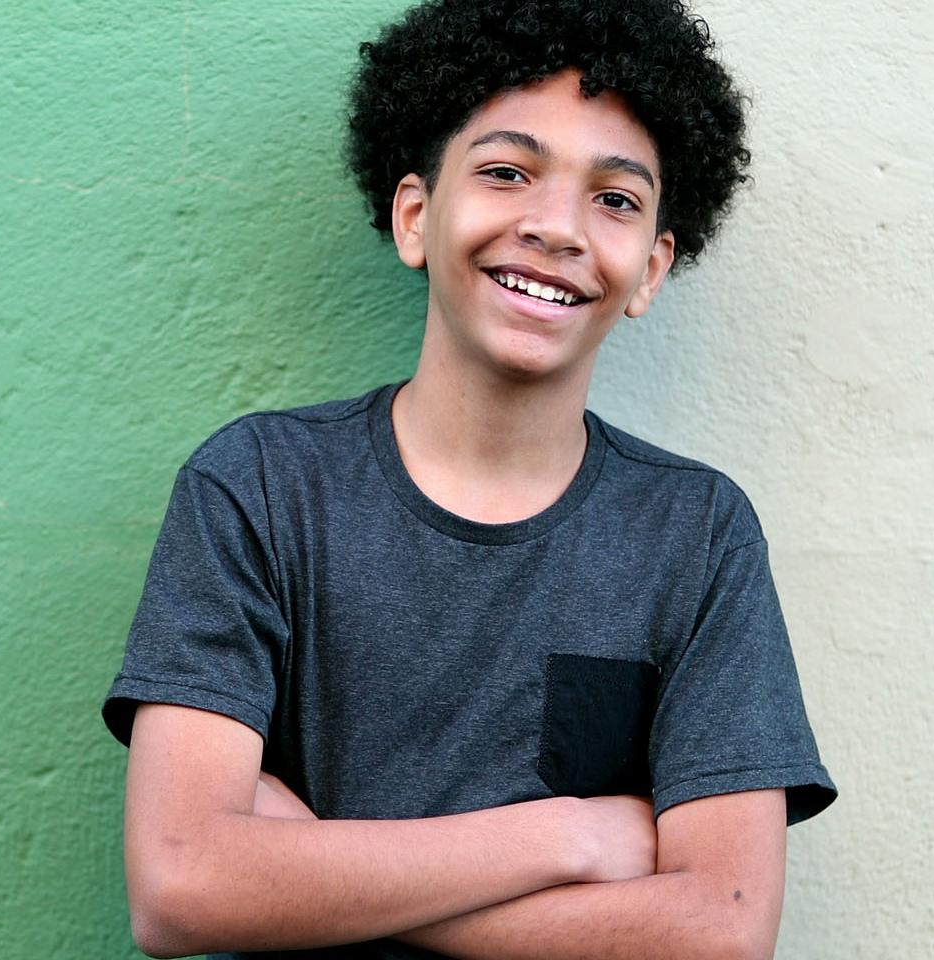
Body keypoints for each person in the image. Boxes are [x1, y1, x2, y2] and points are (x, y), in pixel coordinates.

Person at [100, 1, 837, 956]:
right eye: (506, 172)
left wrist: (309, 868)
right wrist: (567, 836)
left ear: (651, 269)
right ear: (416, 216)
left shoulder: (695, 532)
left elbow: (721, 931)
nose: (557, 227)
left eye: (615, 198)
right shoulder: (259, 488)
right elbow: (182, 888)